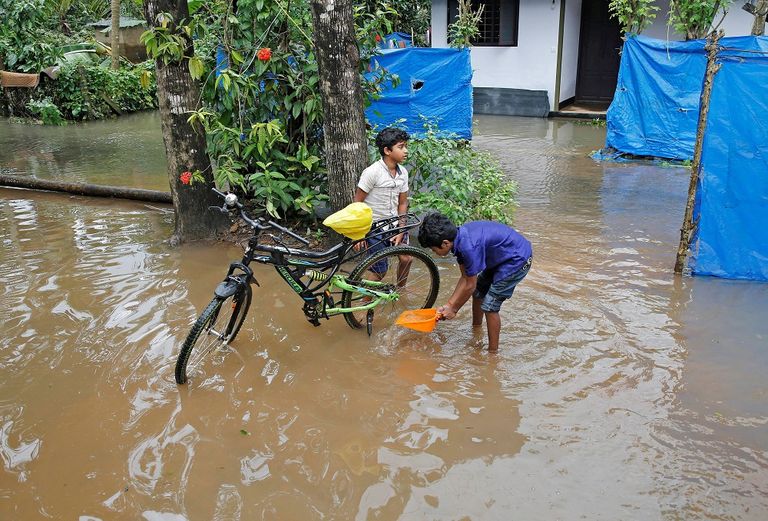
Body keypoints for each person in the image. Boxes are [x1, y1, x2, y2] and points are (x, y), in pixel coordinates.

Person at [417, 212, 532, 352]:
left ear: (445, 243)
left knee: (490, 306)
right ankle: (476, 329)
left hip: (517, 259)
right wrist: (449, 305)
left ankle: (493, 353)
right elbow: (465, 277)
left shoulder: (468, 248)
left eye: (433, 249)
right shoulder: (459, 239)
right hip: (500, 257)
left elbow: (470, 284)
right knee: (478, 293)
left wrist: (454, 309)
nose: (434, 252)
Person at [354, 127, 412, 283]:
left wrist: (401, 229)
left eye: (406, 146)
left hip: (394, 223)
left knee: (406, 259)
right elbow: (357, 203)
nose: (405, 151)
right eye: (401, 147)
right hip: (375, 226)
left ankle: (400, 293)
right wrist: (358, 235)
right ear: (387, 150)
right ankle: (365, 302)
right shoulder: (372, 172)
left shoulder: (403, 173)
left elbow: (402, 202)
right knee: (380, 270)